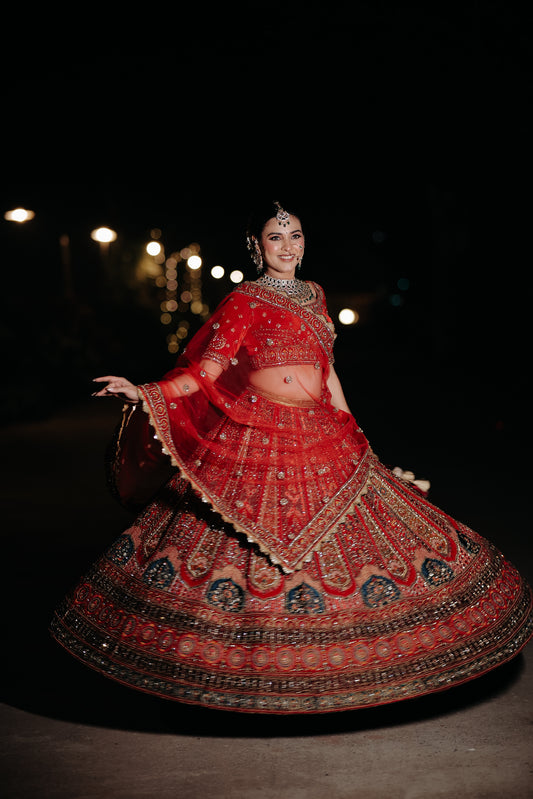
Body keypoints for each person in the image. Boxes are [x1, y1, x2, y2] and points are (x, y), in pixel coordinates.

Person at [51, 200, 533, 714]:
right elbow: (205, 375)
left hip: (322, 430)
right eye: (276, 238)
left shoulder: (315, 295)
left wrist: (353, 431)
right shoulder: (245, 301)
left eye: (296, 236)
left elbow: (328, 373)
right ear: (256, 247)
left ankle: (355, 662)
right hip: (256, 430)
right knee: (238, 546)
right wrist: (144, 391)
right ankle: (250, 670)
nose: (288, 246)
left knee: (368, 537)